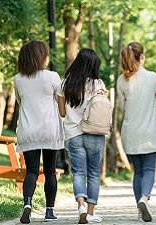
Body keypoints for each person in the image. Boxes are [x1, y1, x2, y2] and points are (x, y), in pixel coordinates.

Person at [117, 42, 156, 222]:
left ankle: (140, 210)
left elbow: (123, 107)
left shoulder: (122, 80)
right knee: (149, 169)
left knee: (137, 172)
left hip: (130, 132)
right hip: (150, 132)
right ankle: (144, 198)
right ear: (142, 57)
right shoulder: (153, 77)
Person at [14, 40, 64, 223]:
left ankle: (27, 204)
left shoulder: (18, 79)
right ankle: (49, 212)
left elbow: (20, 102)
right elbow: (61, 105)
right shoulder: (52, 76)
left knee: (31, 171)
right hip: (49, 130)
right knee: (50, 171)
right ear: (40, 56)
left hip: (28, 131)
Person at [57, 48, 107, 224]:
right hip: (95, 133)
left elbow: (62, 113)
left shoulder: (64, 84)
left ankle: (81, 207)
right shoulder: (98, 84)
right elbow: (102, 108)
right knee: (93, 173)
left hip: (73, 134)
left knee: (78, 173)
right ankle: (91, 213)